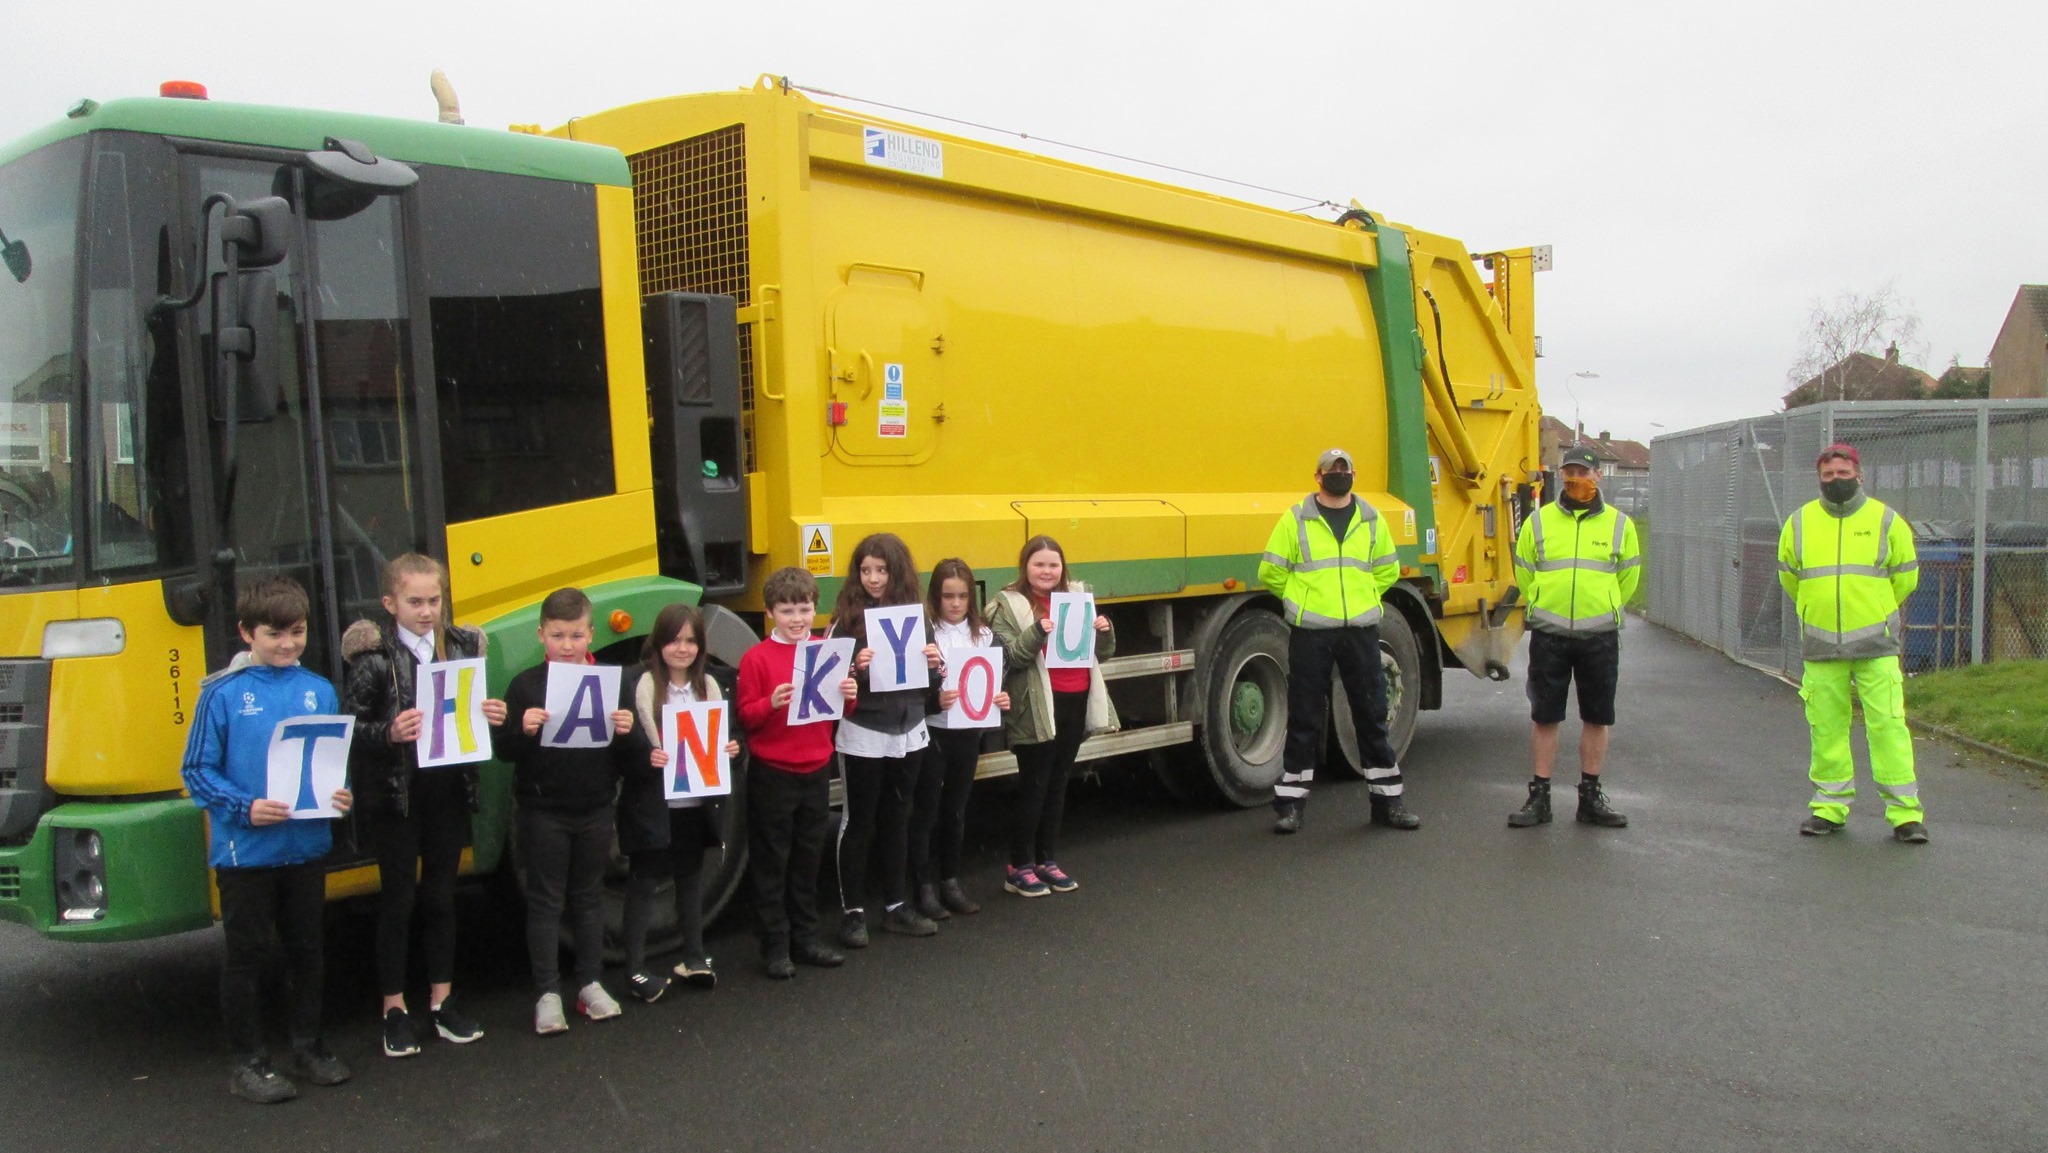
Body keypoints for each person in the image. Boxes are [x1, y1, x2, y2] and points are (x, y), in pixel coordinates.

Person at [181, 574, 354, 1104]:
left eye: (296, 632)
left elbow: (328, 763)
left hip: (304, 848)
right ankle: (248, 1062)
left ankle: (308, 1048)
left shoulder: (320, 688)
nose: (286, 644)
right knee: (247, 957)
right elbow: (196, 770)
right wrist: (245, 807)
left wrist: (340, 794)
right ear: (245, 634)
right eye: (273, 634)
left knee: (308, 951)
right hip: (245, 853)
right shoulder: (223, 695)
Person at [342, 553, 505, 1058]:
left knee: (440, 897)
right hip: (397, 797)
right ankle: (394, 1007)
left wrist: (490, 713)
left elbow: (469, 710)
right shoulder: (375, 659)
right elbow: (347, 730)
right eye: (415, 602)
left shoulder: (460, 646)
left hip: (447, 792)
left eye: (435, 600)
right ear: (390, 603)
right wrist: (387, 732)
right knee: (398, 901)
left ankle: (443, 1000)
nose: (427, 611)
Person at [489, 587, 637, 1034]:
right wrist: (521, 729)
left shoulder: (614, 681)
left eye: (576, 635)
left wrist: (627, 731)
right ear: (541, 635)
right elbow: (505, 753)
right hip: (542, 810)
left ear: (592, 633)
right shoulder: (526, 685)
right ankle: (547, 991)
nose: (568, 646)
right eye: (558, 636)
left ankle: (590, 982)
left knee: (589, 899)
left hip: (595, 807)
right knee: (547, 901)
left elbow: (630, 761)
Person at [1257, 447, 1419, 834]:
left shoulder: (1371, 518)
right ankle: (1291, 807)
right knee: (1304, 718)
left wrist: (1362, 601)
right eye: (1333, 470)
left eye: (1345, 470)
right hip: (1311, 631)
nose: (1339, 475)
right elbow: (1270, 572)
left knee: (1371, 715)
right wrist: (1303, 603)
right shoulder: (1295, 520)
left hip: (1360, 631)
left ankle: (1388, 803)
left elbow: (1387, 569)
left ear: (1353, 475)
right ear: (1318, 476)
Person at [1778, 443, 1927, 843]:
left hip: (1876, 646)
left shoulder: (1887, 520)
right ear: (1819, 479)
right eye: (1828, 475)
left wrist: (1874, 614)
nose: (1836, 481)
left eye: (1843, 474)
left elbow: (1906, 577)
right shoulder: (1799, 523)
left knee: (1888, 727)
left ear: (1859, 475)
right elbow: (1790, 578)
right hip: (1822, 646)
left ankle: (1905, 815)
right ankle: (1829, 807)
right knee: (1826, 730)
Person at [1506, 446, 1640, 828]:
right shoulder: (1539, 521)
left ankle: (1590, 796)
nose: (1574, 478)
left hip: (1598, 636)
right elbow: (1525, 570)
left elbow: (1628, 576)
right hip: (1550, 635)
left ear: (1597, 477)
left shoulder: (1619, 525)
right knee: (1544, 716)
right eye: (1569, 472)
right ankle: (1540, 796)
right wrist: (1541, 604)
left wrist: (1607, 607)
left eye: (1582, 472)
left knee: (1597, 716)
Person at [737, 566, 857, 978]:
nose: (796, 619)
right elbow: (746, 718)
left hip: (816, 766)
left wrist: (849, 695)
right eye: (787, 610)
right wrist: (769, 703)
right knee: (773, 860)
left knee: (808, 859)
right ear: (770, 612)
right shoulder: (756, 658)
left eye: (804, 609)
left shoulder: (825, 649)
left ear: (814, 609)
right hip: (774, 771)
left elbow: (839, 711)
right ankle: (774, 944)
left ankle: (805, 938)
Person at [619, 604, 740, 1000]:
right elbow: (618, 748)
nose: (682, 648)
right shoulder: (635, 684)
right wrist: (643, 756)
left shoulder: (712, 685)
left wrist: (732, 748)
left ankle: (694, 955)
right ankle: (634, 968)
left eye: (690, 640)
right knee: (643, 882)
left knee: (690, 880)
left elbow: (731, 735)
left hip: (695, 803)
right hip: (652, 804)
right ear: (658, 643)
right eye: (674, 639)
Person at [829, 533, 945, 944]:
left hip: (909, 729)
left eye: (881, 570)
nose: (874, 579)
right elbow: (827, 684)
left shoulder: (917, 615)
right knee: (858, 821)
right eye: (866, 570)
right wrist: (855, 669)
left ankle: (896, 906)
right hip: (863, 731)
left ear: (897, 572)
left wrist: (937, 667)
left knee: (898, 817)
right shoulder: (846, 618)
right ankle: (852, 911)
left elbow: (929, 684)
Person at [987, 535, 1116, 897]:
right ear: (1025, 567)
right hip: (1036, 706)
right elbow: (1010, 657)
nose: (1046, 571)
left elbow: (1102, 654)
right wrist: (1036, 632)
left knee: (1058, 782)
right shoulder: (1007, 605)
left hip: (1075, 698)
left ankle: (1047, 860)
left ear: (1063, 568)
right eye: (1038, 564)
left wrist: (1104, 633)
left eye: (1053, 564)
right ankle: (1019, 866)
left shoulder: (1076, 599)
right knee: (1035, 783)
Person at [913, 558, 1012, 918]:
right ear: (935, 597)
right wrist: (932, 699)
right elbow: (910, 687)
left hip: (968, 734)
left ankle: (950, 881)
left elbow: (994, 681)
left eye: (962, 596)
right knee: (926, 810)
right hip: (934, 731)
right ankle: (923, 886)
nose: (955, 604)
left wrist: (1001, 699)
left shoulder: (984, 635)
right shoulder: (926, 634)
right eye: (947, 596)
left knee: (956, 809)